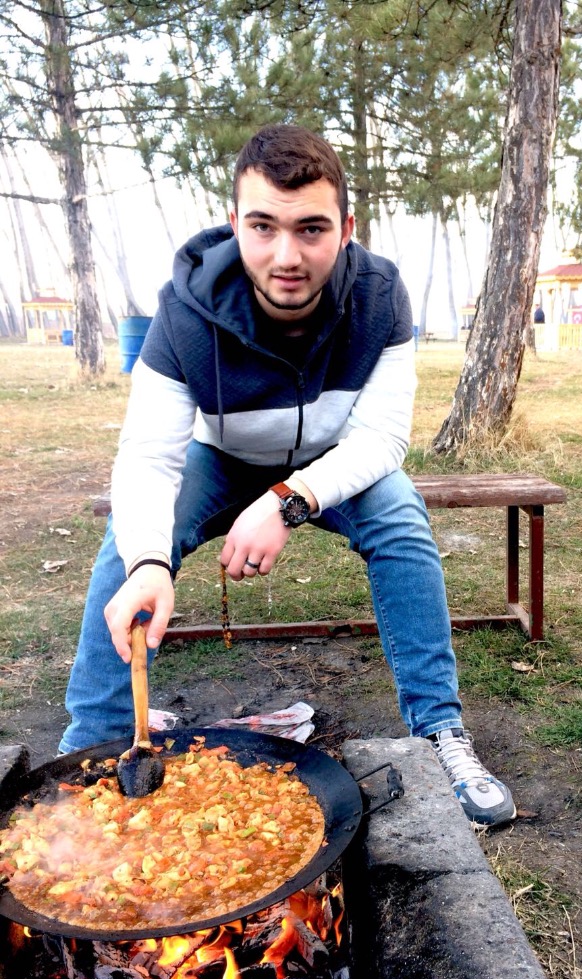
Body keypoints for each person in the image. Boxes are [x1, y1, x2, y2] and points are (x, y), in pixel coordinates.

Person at [61, 124, 516, 830]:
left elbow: (383, 438)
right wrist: (149, 561)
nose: (287, 256)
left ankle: (437, 732)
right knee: (132, 539)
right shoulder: (183, 311)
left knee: (401, 519)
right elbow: (148, 456)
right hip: (220, 460)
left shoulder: (380, 296)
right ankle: (93, 743)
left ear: (346, 229)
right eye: (263, 227)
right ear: (234, 222)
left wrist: (288, 499)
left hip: (331, 462)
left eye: (311, 229)